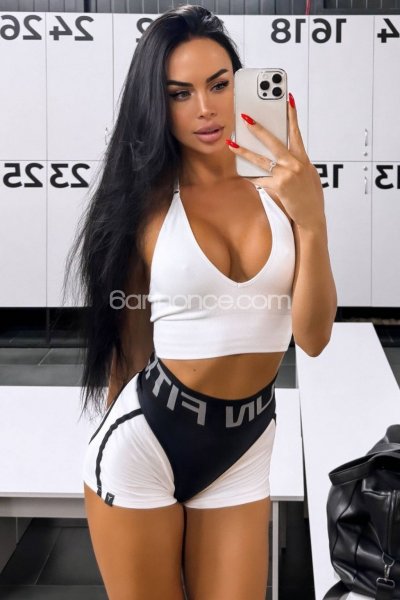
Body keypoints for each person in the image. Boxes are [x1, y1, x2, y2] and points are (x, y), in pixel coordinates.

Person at [65, 4, 337, 599]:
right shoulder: (145, 204)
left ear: (240, 84)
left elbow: (314, 338)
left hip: (245, 444)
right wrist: (107, 434)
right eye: (180, 93)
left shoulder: (283, 189)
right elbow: (130, 344)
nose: (206, 108)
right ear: (156, 104)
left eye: (218, 85)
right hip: (145, 442)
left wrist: (312, 219)